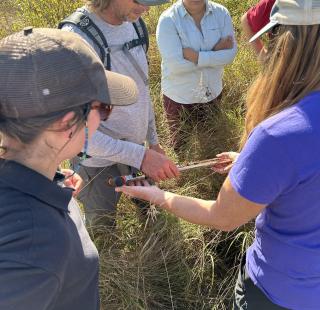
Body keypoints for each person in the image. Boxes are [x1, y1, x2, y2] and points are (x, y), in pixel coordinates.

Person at [117, 0, 320, 308]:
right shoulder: (284, 139)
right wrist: (251, 163)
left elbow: (222, 217)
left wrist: (158, 196)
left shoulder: (278, 135)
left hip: (281, 291)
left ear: (287, 43)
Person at [0, 27, 138, 309]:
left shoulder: (30, 180)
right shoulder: (35, 246)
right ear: (66, 124)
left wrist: (52, 183)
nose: (105, 118)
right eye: (105, 108)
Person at [61, 0, 180, 224]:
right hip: (95, 162)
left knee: (150, 210)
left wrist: (152, 141)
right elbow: (77, 134)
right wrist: (142, 156)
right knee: (101, 224)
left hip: (137, 149)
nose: (146, 7)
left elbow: (142, 89)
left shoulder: (135, 23)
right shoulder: (76, 41)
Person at [156, 0, 237, 151]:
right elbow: (176, 66)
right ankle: (182, 174)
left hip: (212, 92)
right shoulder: (168, 19)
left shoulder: (221, 13)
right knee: (181, 148)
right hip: (180, 97)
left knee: (212, 142)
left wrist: (195, 57)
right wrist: (216, 51)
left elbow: (230, 55)